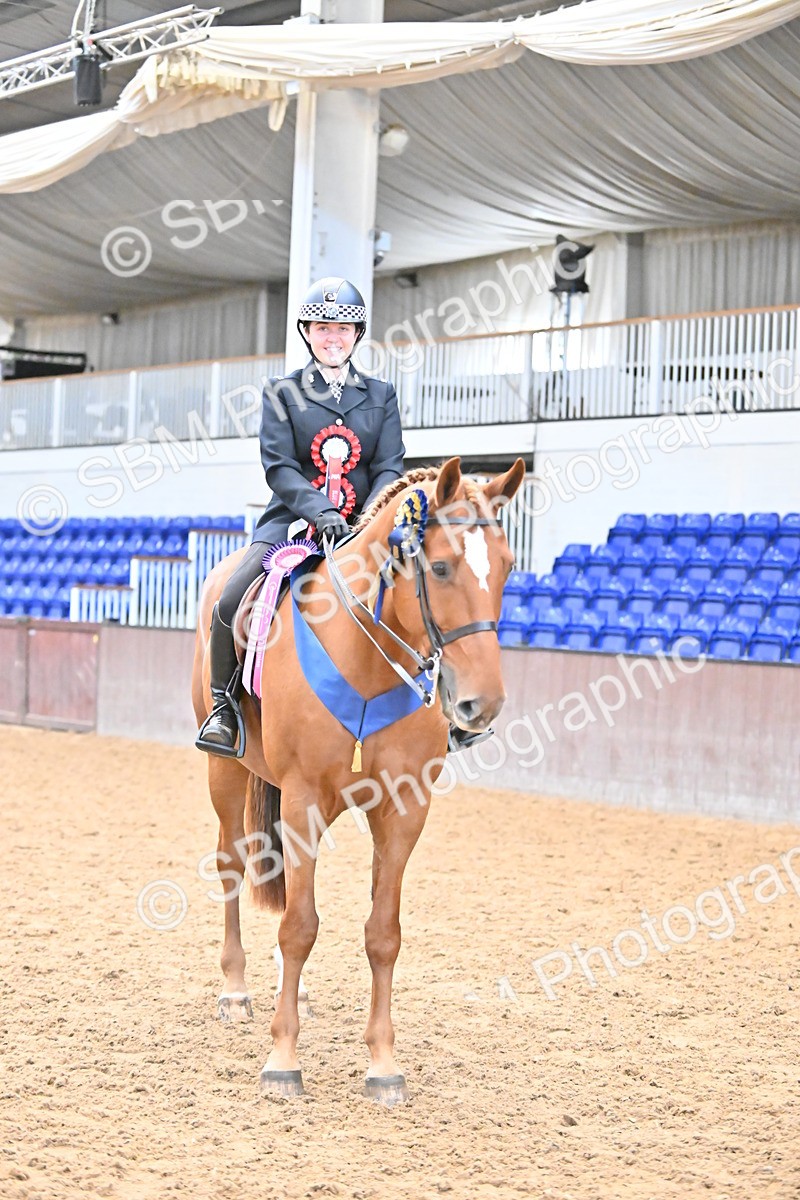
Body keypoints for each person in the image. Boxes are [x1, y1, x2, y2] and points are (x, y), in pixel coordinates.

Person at [196, 276, 405, 757]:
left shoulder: (381, 395)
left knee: (427, 591)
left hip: (363, 526)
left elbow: (390, 465)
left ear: (357, 336)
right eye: (323, 327)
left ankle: (449, 712)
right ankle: (224, 708)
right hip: (291, 523)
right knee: (230, 600)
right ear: (307, 332)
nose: (333, 337)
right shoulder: (281, 392)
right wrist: (322, 511)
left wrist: (368, 518)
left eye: (343, 329)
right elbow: (280, 467)